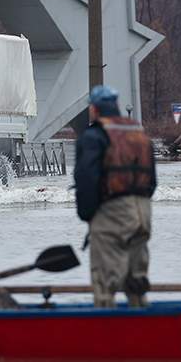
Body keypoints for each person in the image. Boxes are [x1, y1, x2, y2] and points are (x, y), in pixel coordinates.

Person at [74, 85, 157, 308]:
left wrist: (87, 214)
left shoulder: (94, 136)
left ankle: (105, 321)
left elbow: (86, 178)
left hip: (112, 212)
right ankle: (143, 319)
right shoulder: (139, 134)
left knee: (105, 280)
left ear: (94, 109)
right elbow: (152, 180)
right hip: (143, 212)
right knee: (137, 278)